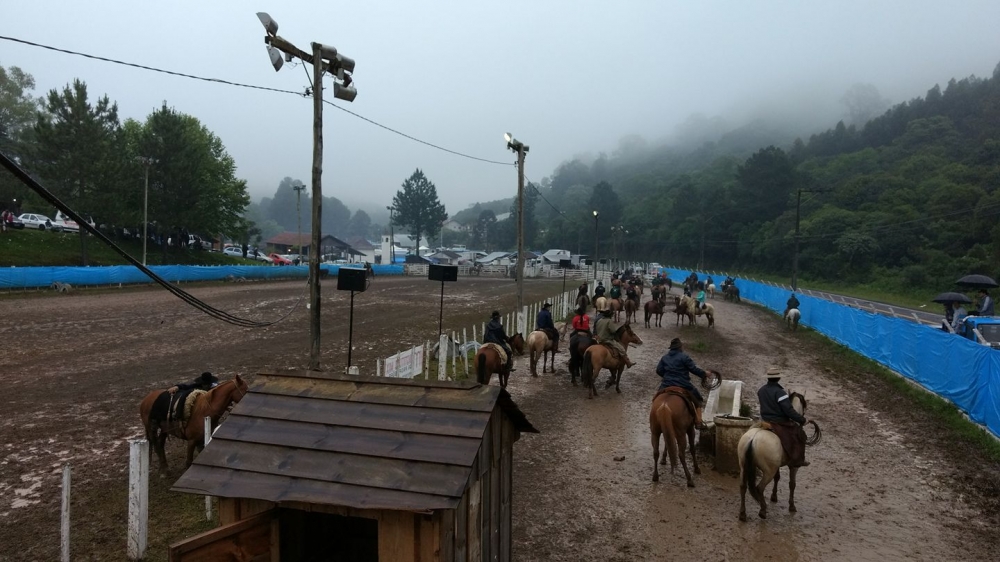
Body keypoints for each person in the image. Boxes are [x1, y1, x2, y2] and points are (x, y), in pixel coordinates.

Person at [757, 367, 810, 467]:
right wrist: (802, 420)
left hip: (764, 420)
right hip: (778, 421)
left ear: (768, 378)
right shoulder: (780, 392)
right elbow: (789, 410)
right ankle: (799, 460)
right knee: (801, 435)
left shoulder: (761, 390)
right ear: (778, 379)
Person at [655, 338, 709, 427]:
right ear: (680, 347)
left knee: (656, 398)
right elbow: (693, 369)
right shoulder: (684, 357)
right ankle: (698, 421)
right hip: (683, 384)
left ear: (671, 348)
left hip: (666, 384)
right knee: (698, 399)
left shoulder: (664, 358)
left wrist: (666, 376)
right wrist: (704, 374)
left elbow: (658, 370)